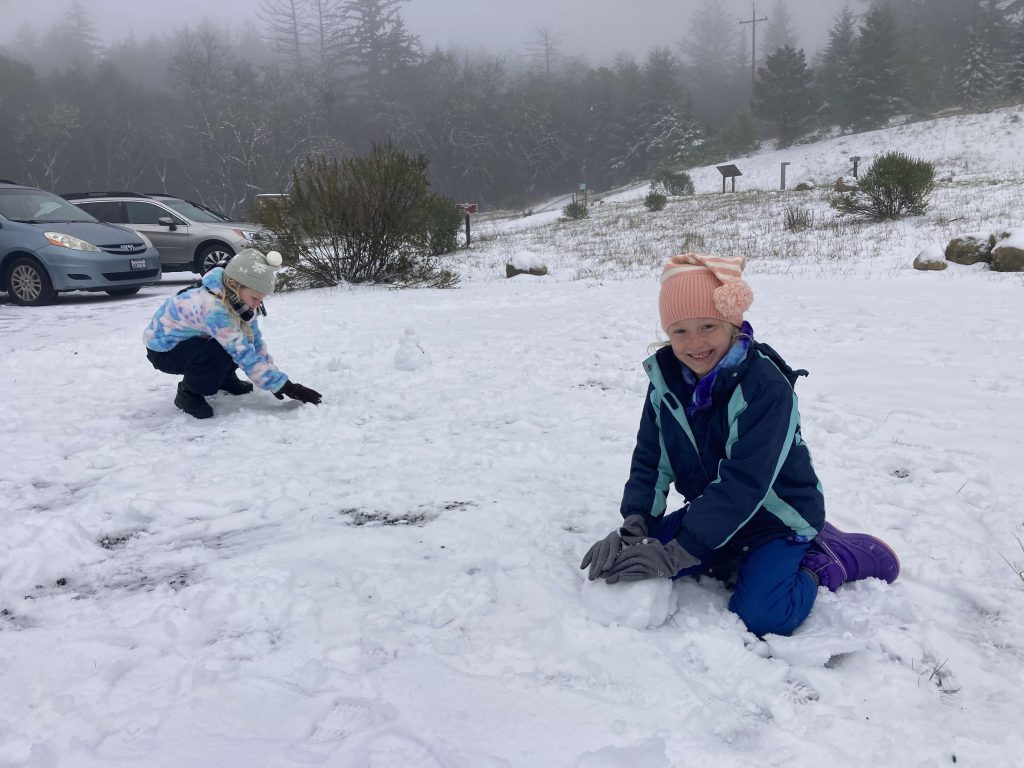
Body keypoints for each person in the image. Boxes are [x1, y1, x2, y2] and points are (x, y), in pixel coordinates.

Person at [580, 252, 899, 637]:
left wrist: (679, 552)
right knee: (632, 559)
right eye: (680, 331)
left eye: (708, 326)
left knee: (763, 616)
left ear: (732, 324)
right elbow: (652, 458)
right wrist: (635, 525)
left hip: (776, 516)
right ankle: (725, 550)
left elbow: (745, 482)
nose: (694, 343)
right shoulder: (666, 382)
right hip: (718, 510)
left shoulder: (765, 388)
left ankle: (825, 557)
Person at [143, 247, 322, 419]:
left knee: (233, 340)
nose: (257, 304)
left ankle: (225, 378)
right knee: (219, 349)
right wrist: (286, 386)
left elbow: (254, 342)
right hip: (164, 351)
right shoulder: (215, 308)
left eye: (261, 299)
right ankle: (188, 393)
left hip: (191, 341)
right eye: (255, 298)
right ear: (234, 285)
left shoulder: (239, 302)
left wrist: (277, 381)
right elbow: (241, 352)